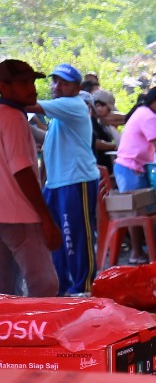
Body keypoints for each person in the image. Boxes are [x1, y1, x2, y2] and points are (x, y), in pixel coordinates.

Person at [32, 64, 100, 293]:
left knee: (77, 239)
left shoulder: (73, 105)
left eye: (65, 83)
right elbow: (47, 138)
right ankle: (63, 289)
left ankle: (85, 289)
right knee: (56, 239)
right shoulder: (59, 114)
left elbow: (31, 105)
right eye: (55, 81)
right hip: (56, 183)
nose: (57, 87)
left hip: (76, 180)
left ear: (77, 88)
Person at [0, 59, 62, 295]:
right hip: (20, 215)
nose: (32, 88)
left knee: (4, 290)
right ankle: (38, 331)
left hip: (3, 215)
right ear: (4, 87)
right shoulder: (13, 118)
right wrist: (45, 217)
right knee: (44, 285)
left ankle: (11, 331)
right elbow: (22, 170)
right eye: (23, 83)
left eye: (32, 82)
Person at [113, 85, 156, 191]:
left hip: (130, 167)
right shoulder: (148, 116)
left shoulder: (142, 111)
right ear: (155, 100)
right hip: (131, 168)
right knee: (136, 205)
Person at [89, 91, 120, 171]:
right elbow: (95, 143)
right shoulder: (90, 121)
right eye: (108, 109)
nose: (110, 112)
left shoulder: (100, 123)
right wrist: (114, 146)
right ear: (98, 106)